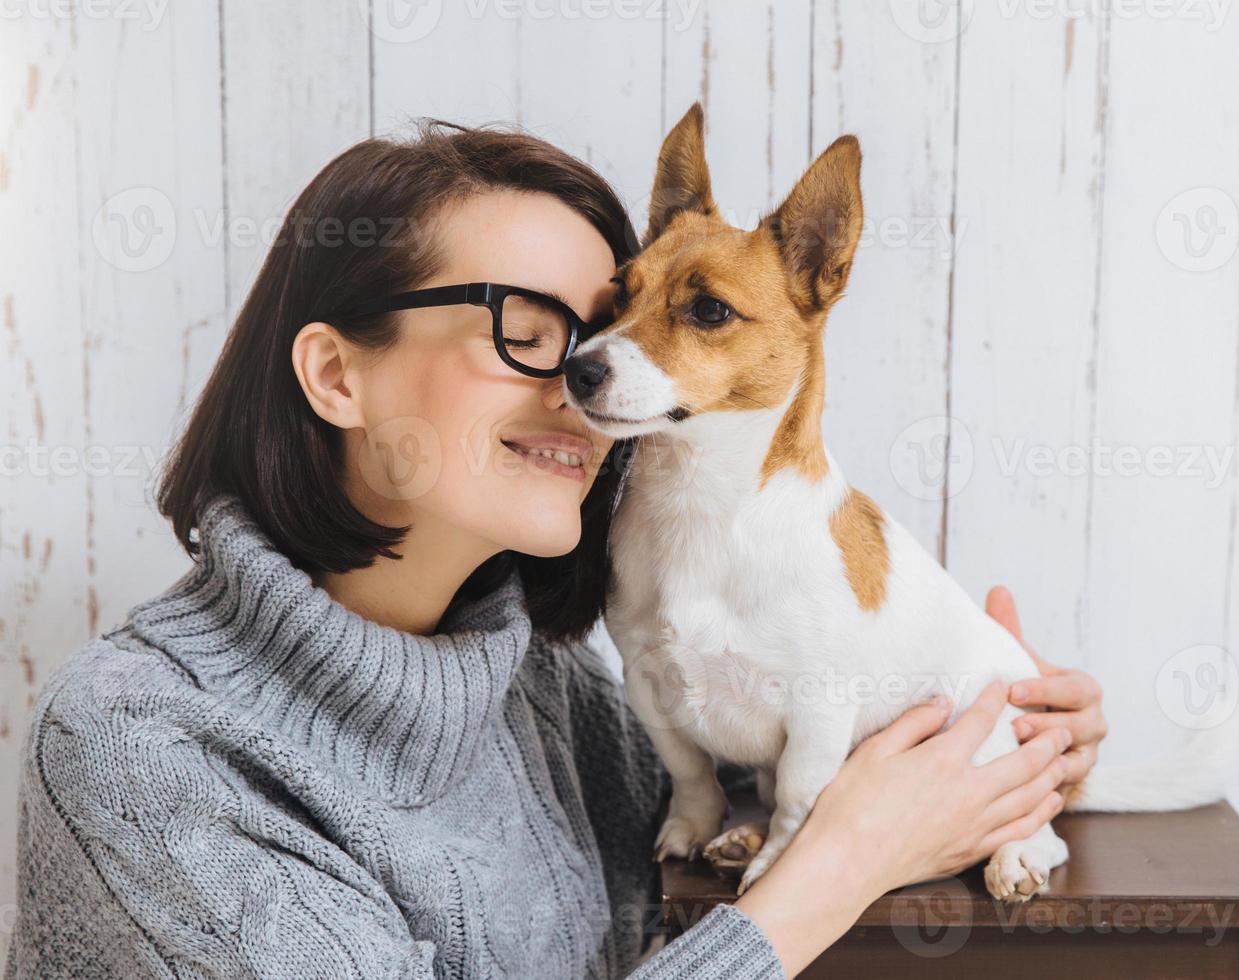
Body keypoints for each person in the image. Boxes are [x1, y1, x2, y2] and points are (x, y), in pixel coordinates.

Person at [4, 122, 1107, 979]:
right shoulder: (142, 750)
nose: (591, 381)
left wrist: (1001, 746)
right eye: (524, 332)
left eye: (598, 334)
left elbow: (786, 755)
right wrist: (836, 866)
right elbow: (825, 851)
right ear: (338, 376)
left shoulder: (545, 689)